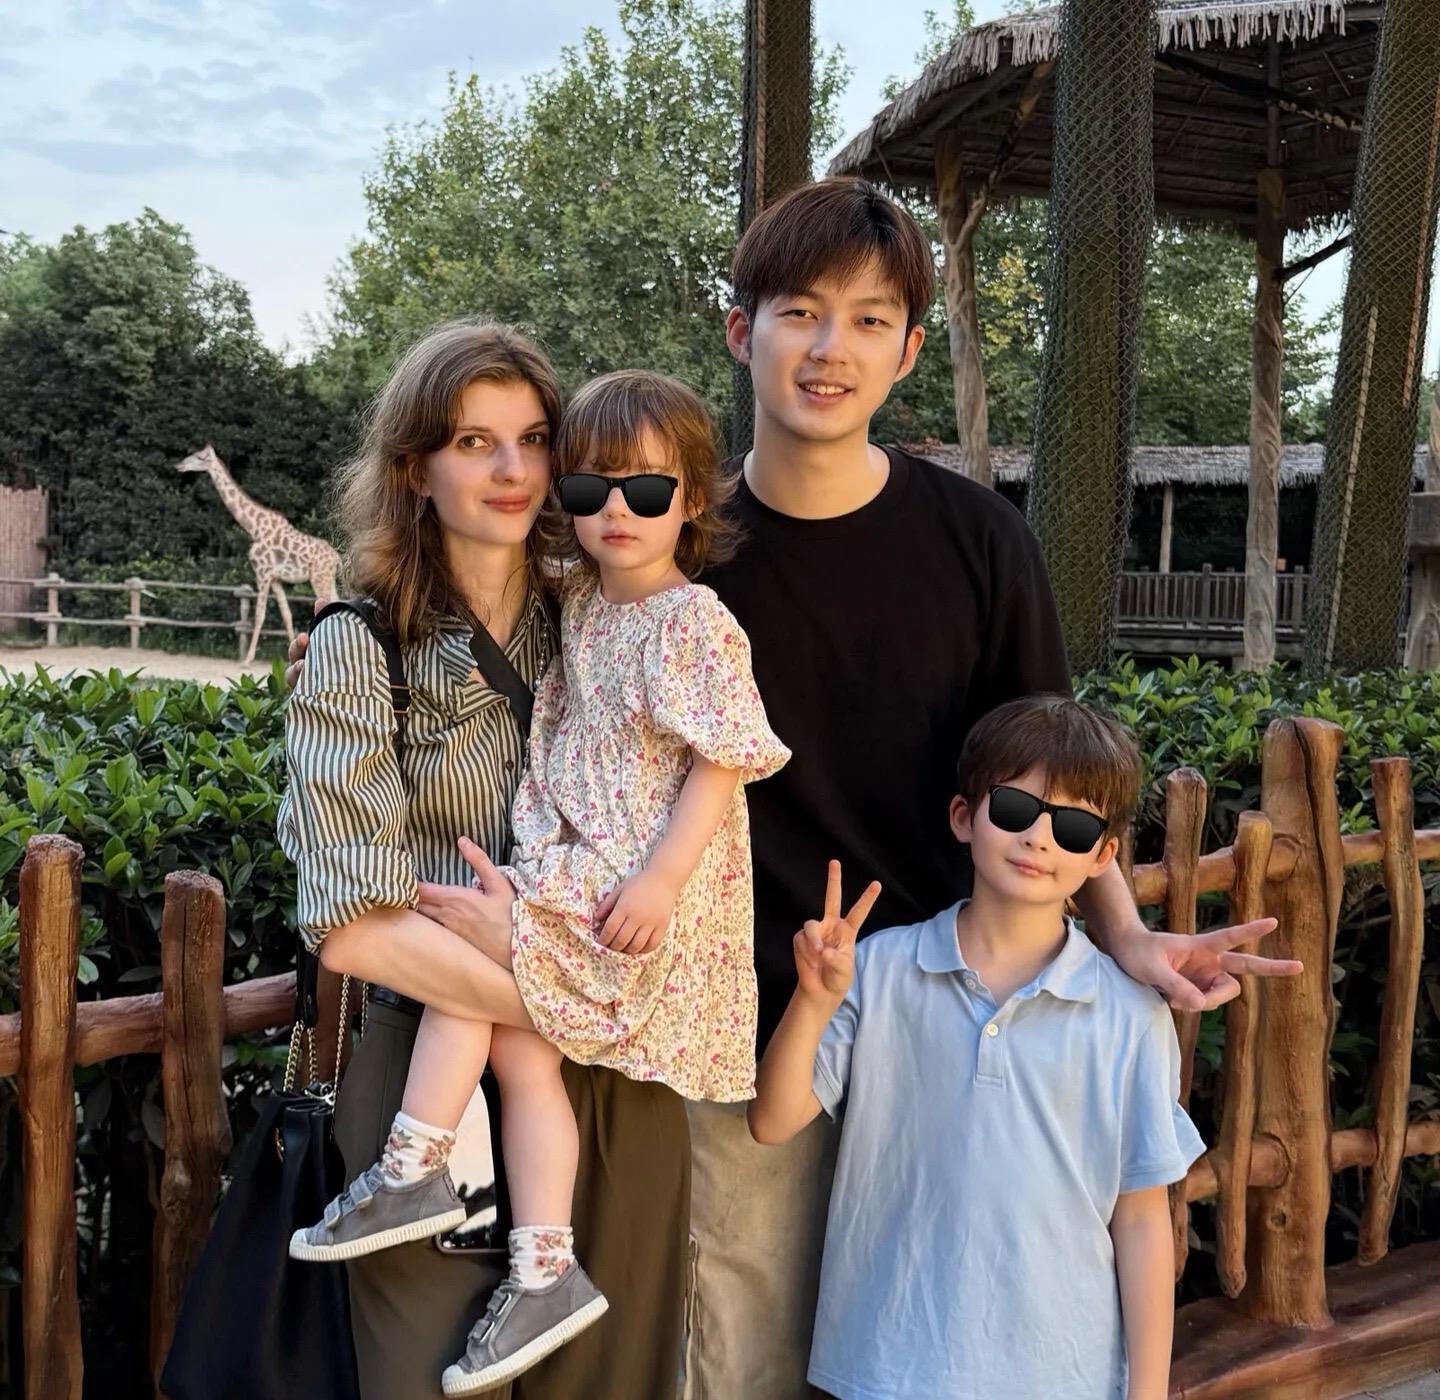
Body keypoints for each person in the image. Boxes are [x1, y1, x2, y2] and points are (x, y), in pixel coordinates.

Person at [287, 179, 1298, 1398]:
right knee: (737, 1352)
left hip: (929, 1025)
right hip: (732, 1031)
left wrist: (1124, 933)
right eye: (801, 312)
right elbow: (532, 660)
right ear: (741, 330)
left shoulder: (983, 543)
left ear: (910, 349)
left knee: (932, 1340)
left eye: (870, 320)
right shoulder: (662, 550)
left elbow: (1046, 770)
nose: (831, 349)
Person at [287, 366, 785, 1394]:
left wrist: (597, 999)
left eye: (532, 440)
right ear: (414, 467)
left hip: (613, 1063)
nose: (513, 469)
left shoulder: (591, 602)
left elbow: (717, 758)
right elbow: (350, 924)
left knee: (609, 1378)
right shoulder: (365, 642)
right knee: (425, 1376)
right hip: (448, 1040)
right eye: (474, 441)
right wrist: (569, 995)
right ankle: (410, 1177)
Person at [749, 695, 1211, 1400]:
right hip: (883, 1366)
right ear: (965, 817)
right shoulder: (879, 969)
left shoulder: (1130, 1015)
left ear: (1102, 856)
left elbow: (1142, 1218)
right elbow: (772, 1120)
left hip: (1062, 1377)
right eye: (1017, 809)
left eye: (1074, 825)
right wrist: (813, 999)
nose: (1040, 839)